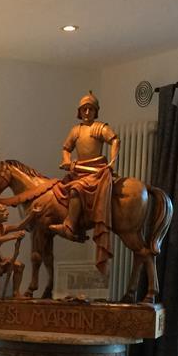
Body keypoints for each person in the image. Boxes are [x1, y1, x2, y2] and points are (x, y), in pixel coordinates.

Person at [48, 91, 120, 274]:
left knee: (76, 188)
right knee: (60, 189)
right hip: (79, 169)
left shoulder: (100, 127)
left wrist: (112, 161)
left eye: (90, 109)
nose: (87, 112)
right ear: (79, 112)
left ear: (96, 111)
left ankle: (70, 226)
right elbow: (66, 148)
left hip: (96, 171)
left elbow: (115, 140)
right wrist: (67, 160)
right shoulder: (76, 131)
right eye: (84, 109)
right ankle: (78, 224)